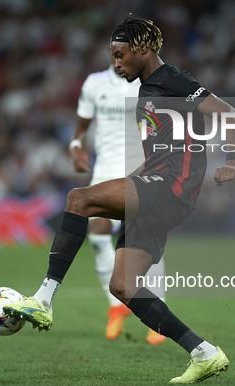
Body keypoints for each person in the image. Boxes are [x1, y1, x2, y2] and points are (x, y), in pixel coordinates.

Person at [4, 14, 235, 384]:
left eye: (120, 55)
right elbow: (165, 148)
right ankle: (204, 352)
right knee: (124, 286)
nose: (116, 63)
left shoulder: (172, 80)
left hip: (169, 187)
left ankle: (43, 299)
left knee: (78, 199)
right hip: (160, 185)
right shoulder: (146, 90)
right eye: (112, 56)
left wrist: (231, 161)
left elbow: (229, 114)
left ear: (143, 49)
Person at [71, 63, 167, 345]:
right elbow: (80, 127)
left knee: (147, 240)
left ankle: (157, 314)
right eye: (115, 52)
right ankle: (117, 305)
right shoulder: (95, 83)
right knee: (98, 233)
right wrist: (75, 148)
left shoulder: (151, 84)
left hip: (143, 170)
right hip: (105, 173)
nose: (119, 58)